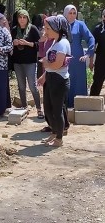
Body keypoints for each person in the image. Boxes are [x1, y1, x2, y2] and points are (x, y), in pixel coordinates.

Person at [38, 15, 72, 147]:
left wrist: (46, 63)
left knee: (57, 111)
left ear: (56, 28)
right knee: (48, 109)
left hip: (59, 81)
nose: (45, 31)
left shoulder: (63, 43)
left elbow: (58, 64)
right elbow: (52, 65)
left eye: (47, 28)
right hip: (51, 78)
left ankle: (59, 138)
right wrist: (44, 76)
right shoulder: (54, 42)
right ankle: (54, 132)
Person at [11, 9, 44, 119]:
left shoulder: (33, 28)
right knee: (21, 86)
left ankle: (39, 109)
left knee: (33, 86)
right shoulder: (14, 29)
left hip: (30, 62)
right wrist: (14, 43)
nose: (22, 19)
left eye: (24, 17)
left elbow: (40, 44)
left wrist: (27, 43)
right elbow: (9, 43)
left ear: (27, 18)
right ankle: (24, 107)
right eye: (20, 17)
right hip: (18, 61)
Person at [63, 5, 95, 107]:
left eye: (74, 13)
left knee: (78, 83)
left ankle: (80, 106)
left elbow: (91, 39)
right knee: (65, 82)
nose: (72, 15)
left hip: (77, 60)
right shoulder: (61, 24)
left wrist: (88, 54)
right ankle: (65, 108)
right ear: (65, 13)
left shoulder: (80, 25)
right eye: (70, 13)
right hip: (63, 59)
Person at [89, 9, 105, 96]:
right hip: (101, 60)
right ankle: (92, 103)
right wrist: (91, 61)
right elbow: (92, 46)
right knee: (97, 83)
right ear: (102, 17)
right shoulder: (98, 29)